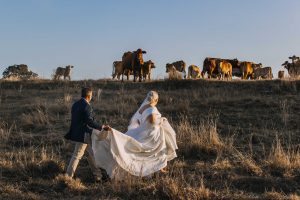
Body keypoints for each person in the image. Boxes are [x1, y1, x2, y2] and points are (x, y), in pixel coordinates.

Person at [91, 91, 178, 180]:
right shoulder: (152, 108)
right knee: (157, 149)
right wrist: (161, 120)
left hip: (146, 131)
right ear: (156, 99)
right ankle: (157, 168)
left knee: (152, 150)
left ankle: (159, 168)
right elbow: (152, 120)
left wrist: (144, 125)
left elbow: (139, 120)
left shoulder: (143, 108)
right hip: (151, 133)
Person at [65, 87, 108, 181]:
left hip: (77, 133)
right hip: (83, 134)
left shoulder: (75, 104)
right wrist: (102, 127)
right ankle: (68, 177)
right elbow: (89, 121)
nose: (92, 97)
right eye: (92, 95)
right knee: (77, 155)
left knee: (90, 154)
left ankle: (98, 175)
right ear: (89, 95)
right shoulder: (86, 106)